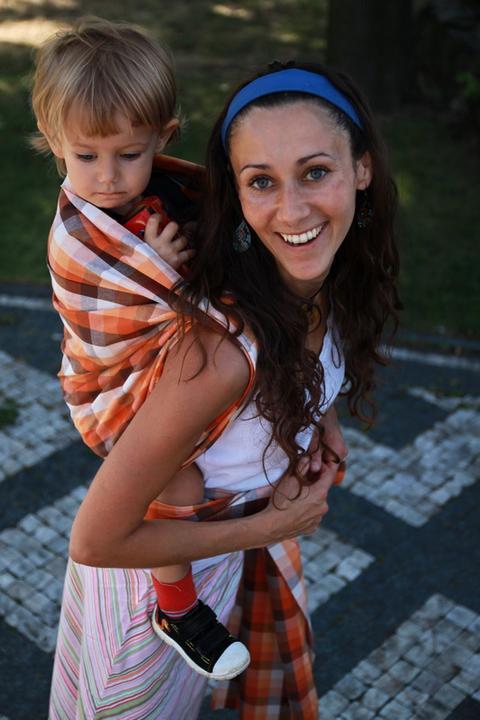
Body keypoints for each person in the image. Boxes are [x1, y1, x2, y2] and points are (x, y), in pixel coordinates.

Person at [46, 59, 400, 720]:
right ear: (235, 193)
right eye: (262, 181)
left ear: (362, 169)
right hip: (146, 603)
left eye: (315, 172)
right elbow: (95, 541)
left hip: (221, 556)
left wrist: (316, 423)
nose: (292, 209)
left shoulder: (312, 281)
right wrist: (273, 526)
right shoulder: (219, 356)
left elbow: (301, 368)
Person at [31, 17, 251, 681]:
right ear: (53, 141)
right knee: (173, 477)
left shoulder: (168, 190)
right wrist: (154, 270)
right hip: (110, 384)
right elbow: (111, 299)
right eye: (86, 157)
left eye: (129, 154)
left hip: (170, 359)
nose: (107, 177)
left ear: (164, 136)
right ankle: (176, 607)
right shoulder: (76, 234)